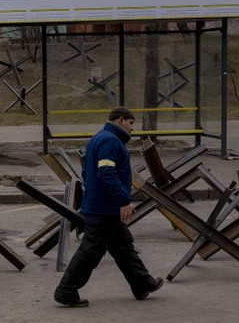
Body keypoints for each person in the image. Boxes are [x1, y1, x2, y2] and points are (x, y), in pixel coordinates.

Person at [54, 106, 163, 308]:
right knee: (91, 250)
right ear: (121, 120)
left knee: (123, 246)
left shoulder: (100, 137)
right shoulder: (111, 141)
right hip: (105, 208)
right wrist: (123, 200)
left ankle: (142, 284)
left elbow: (87, 172)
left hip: (103, 205)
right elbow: (106, 173)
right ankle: (66, 290)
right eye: (131, 123)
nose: (132, 128)